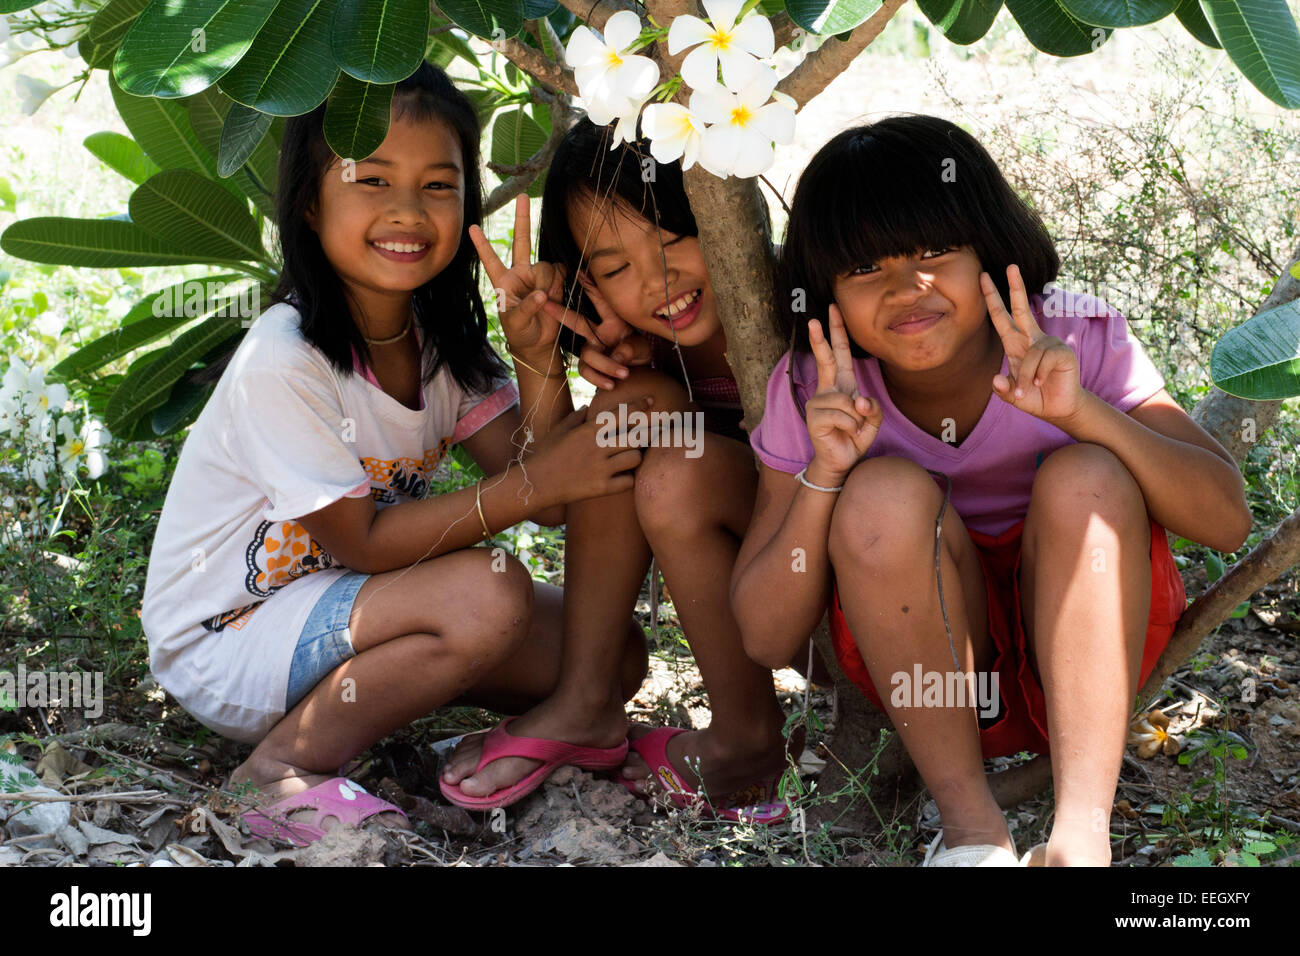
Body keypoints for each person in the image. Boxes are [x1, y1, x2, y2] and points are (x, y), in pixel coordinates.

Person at [140, 63, 646, 845]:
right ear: (310, 202)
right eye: (371, 179)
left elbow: (546, 496)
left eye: (438, 186)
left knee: (607, 659)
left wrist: (539, 358)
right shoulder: (289, 356)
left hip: (342, 613)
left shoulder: (440, 343)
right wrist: (537, 480)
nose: (407, 211)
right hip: (232, 636)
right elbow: (365, 542)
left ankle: (404, 724)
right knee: (491, 594)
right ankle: (274, 774)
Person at [732, 115, 1251, 865]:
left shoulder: (1073, 338)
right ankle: (973, 833)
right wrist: (825, 473)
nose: (907, 289)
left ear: (989, 246)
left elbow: (1228, 520)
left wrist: (1087, 415)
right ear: (828, 297)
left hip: (1087, 655)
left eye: (934, 252)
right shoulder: (819, 389)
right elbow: (765, 635)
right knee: (878, 497)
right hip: (937, 677)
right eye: (864, 269)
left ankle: (1081, 837)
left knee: (1088, 475)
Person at [439, 118, 794, 821]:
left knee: (674, 469)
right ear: (585, 285)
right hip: (769, 573)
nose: (657, 280)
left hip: (837, 595)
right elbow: (556, 496)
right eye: (613, 268)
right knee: (634, 411)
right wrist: (538, 355)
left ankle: (749, 739)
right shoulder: (642, 359)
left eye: (670, 240)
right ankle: (586, 702)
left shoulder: (797, 307)